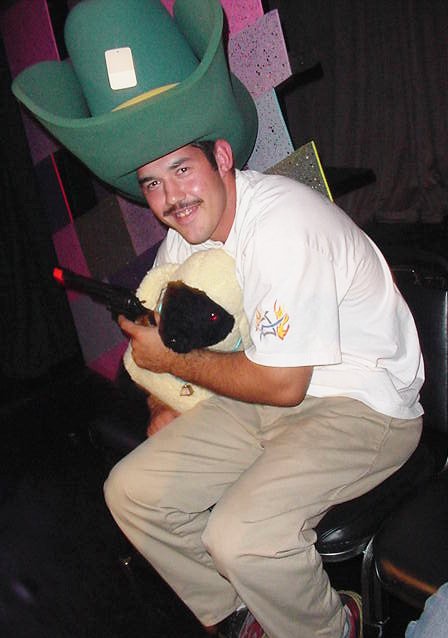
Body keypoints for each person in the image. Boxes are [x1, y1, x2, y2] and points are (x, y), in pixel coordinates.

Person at [103, 138, 424, 638]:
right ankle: (247, 615)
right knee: (131, 492)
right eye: (153, 184)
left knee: (240, 537)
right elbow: (165, 337)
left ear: (222, 159)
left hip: (362, 403)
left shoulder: (283, 226)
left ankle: (335, 628)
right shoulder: (187, 235)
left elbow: (282, 384)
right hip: (257, 393)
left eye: (182, 170)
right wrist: (159, 400)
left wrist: (172, 363)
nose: (171, 198)